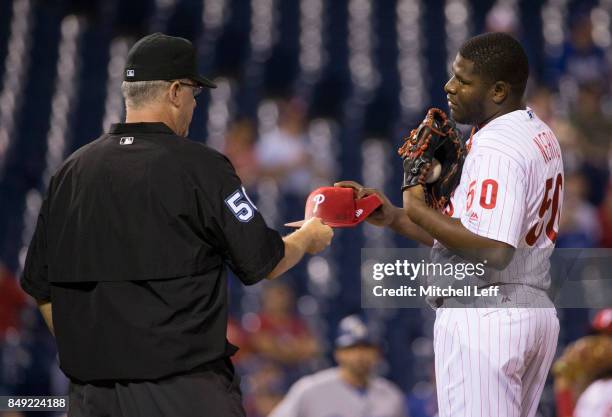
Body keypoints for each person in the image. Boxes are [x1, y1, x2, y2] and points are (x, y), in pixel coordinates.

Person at [19, 32, 333, 417]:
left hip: (92, 397)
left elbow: (40, 286)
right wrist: (307, 237)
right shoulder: (202, 168)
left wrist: (91, 355)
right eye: (193, 95)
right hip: (183, 392)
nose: (193, 105)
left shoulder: (71, 172)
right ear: (173, 92)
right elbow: (264, 262)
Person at [338, 32, 563, 417]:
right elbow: (473, 236)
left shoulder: (497, 147)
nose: (449, 86)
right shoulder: (537, 132)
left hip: (486, 315)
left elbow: (492, 249)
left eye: (463, 80)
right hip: (526, 308)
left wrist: (412, 198)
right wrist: (395, 216)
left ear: (497, 91)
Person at [268, 315, 406, 417]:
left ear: (377, 353)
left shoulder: (391, 395)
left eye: (366, 348)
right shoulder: (310, 390)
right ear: (338, 353)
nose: (359, 355)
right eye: (352, 348)